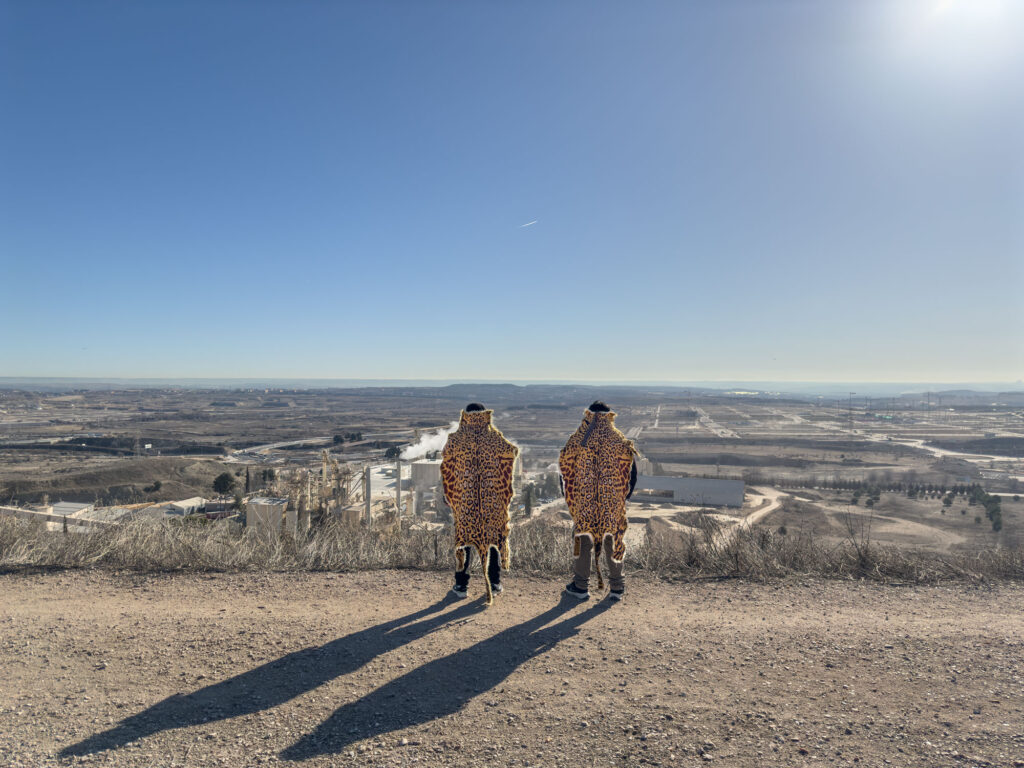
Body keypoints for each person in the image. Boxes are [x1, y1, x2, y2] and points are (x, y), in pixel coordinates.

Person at [440, 403, 519, 605]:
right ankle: (494, 583)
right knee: (491, 539)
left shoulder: (455, 440)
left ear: (465, 417)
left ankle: (461, 585)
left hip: (465, 501)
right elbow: (512, 452)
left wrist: (449, 494)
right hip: (491, 500)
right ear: (485, 416)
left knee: (464, 540)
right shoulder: (495, 438)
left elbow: (446, 468)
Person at [558, 400, 638, 601]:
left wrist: (572, 501)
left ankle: (580, 586)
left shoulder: (578, 439)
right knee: (612, 540)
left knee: (584, 541)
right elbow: (630, 472)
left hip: (584, 504)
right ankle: (617, 588)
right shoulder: (618, 439)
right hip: (612, 504)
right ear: (609, 415)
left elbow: (564, 471)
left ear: (588, 415)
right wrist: (622, 498)